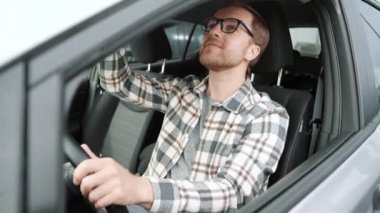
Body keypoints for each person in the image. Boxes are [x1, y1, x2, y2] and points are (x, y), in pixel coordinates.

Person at [73, 2, 289, 212]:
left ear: (252, 51)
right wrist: (110, 29)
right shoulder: (182, 90)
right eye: (212, 24)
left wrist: (139, 188)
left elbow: (232, 192)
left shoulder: (267, 115)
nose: (214, 31)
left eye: (231, 26)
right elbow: (118, 82)